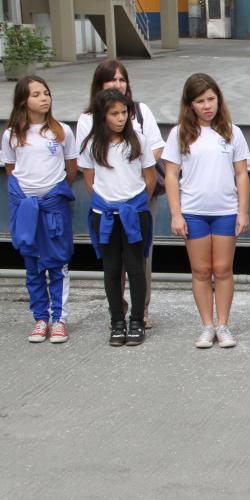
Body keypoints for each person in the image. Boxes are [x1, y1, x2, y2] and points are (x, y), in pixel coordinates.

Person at [162, 73, 250, 349]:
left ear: (218, 100)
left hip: (225, 211)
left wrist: (243, 211)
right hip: (193, 212)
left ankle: (223, 325)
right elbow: (171, 175)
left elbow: (241, 174)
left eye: (211, 99)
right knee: (201, 271)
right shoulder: (179, 133)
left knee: (223, 269)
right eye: (200, 101)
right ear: (190, 105)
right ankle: (207, 326)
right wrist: (176, 214)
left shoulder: (231, 132)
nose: (207, 106)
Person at [76, 59, 166, 329]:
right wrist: (103, 199)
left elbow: (155, 151)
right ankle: (118, 312)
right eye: (112, 80)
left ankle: (141, 312)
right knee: (113, 263)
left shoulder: (139, 112)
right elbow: (88, 171)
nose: (118, 84)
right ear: (100, 86)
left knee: (140, 260)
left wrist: (137, 188)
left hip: (139, 198)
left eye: (122, 78)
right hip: (106, 204)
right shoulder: (87, 122)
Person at [2, 76, 78, 343]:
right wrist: (27, 197)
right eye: (36, 94)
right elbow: (12, 170)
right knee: (33, 265)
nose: (44, 98)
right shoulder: (11, 135)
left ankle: (59, 318)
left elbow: (71, 167)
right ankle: (40, 318)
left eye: (46, 93)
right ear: (23, 100)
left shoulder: (61, 132)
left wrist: (53, 192)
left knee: (57, 263)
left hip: (53, 206)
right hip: (26, 207)